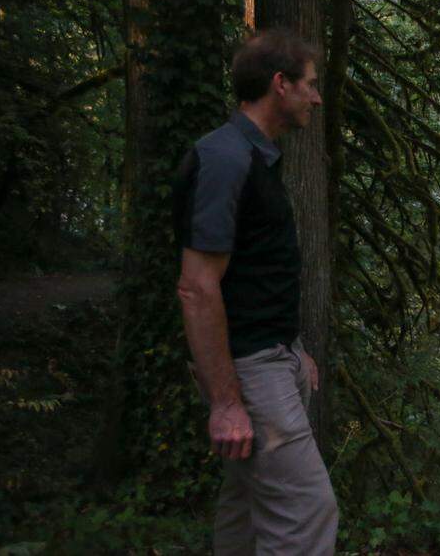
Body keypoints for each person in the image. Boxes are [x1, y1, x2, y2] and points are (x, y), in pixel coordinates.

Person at [173, 29, 338, 555]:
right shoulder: (225, 159)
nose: (316, 97)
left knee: (246, 511)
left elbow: (256, 272)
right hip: (251, 369)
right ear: (279, 84)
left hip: (273, 356)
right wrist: (226, 403)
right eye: (309, 85)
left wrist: (294, 347)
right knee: (308, 514)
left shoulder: (256, 154)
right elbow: (198, 289)